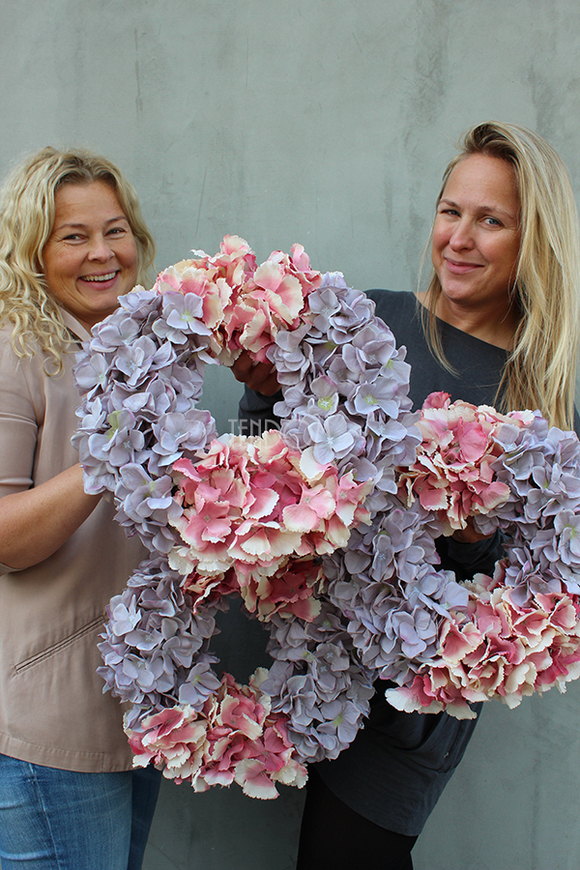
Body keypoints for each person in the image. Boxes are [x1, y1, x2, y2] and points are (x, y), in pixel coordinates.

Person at [236, 121, 580, 869]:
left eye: (491, 220)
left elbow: (540, 584)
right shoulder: (369, 322)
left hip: (412, 704)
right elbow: (269, 466)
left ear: (534, 241)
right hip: (313, 663)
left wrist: (472, 538)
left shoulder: (537, 394)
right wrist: (261, 395)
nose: (460, 237)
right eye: (451, 210)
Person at [0, 147, 161, 870]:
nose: (103, 253)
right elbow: (5, 539)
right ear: (33, 250)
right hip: (47, 725)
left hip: (138, 717)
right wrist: (114, 444)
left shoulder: (141, 350)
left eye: (116, 230)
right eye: (74, 236)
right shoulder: (15, 353)